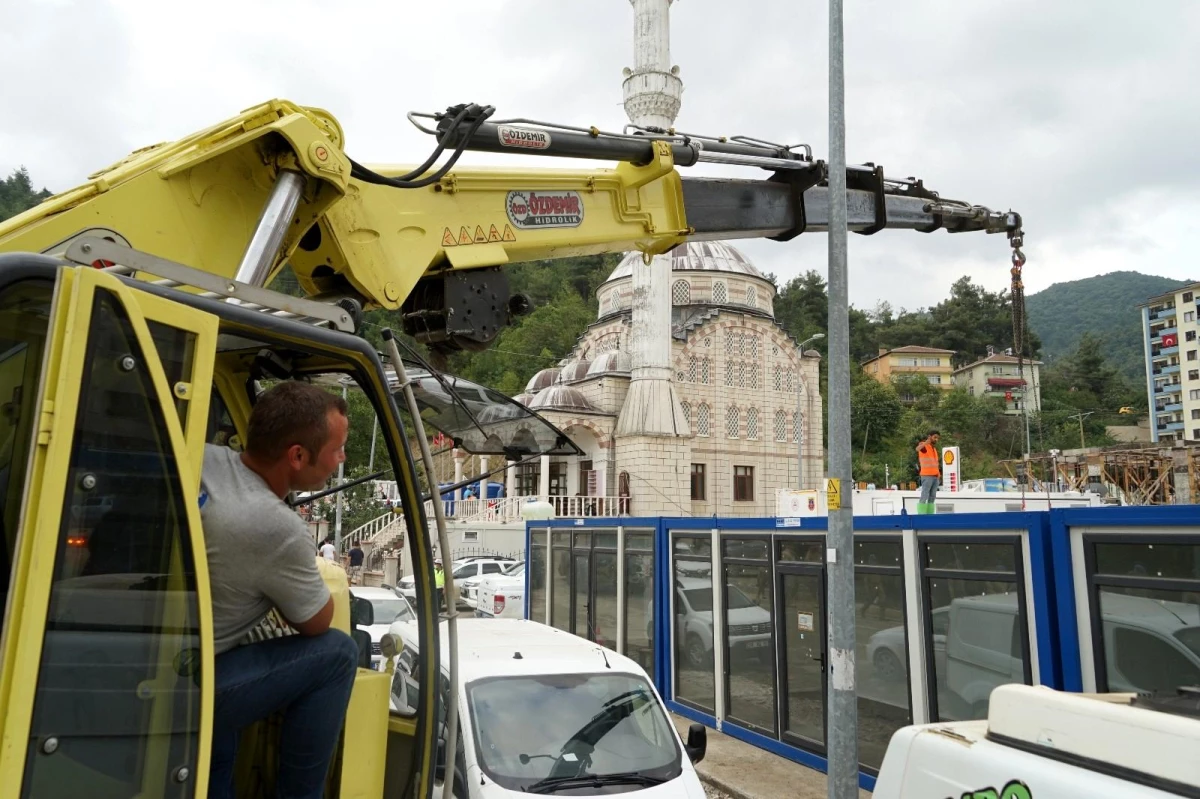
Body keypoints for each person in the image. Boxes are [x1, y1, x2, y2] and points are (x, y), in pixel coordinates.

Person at [200, 381, 358, 799]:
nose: (341, 459)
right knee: (338, 655)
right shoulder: (276, 528)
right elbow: (315, 621)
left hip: (147, 655)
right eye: (337, 449)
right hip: (188, 685)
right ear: (298, 455)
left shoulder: (204, 458)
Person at [916, 429, 941, 515]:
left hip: (935, 476)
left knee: (932, 496)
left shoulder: (933, 449)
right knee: (925, 495)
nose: (936, 439)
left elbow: (935, 463)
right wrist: (926, 442)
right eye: (935, 437)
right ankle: (921, 514)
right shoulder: (924, 445)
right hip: (926, 475)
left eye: (937, 438)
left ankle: (930, 514)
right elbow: (918, 448)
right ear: (930, 437)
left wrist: (938, 474)